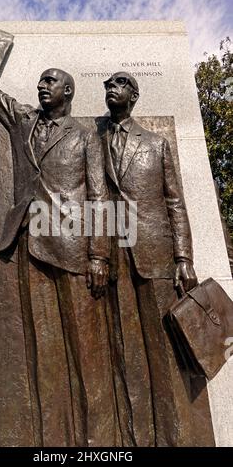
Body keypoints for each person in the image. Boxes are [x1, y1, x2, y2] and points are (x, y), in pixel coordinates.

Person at [0, 33, 121, 447]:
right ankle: (52, 442)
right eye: (39, 81)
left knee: (88, 357)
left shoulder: (85, 134)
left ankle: (100, 444)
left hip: (73, 248)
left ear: (68, 91)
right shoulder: (24, 120)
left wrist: (99, 255)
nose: (41, 86)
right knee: (45, 356)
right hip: (30, 246)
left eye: (50, 81)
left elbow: (99, 197)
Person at [98, 71, 215, 446]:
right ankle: (136, 439)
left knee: (166, 353)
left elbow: (175, 203)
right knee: (127, 354)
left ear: (133, 95)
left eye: (118, 84)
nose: (109, 89)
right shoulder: (92, 141)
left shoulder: (156, 144)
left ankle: (175, 436)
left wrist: (184, 257)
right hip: (114, 262)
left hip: (156, 258)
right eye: (107, 85)